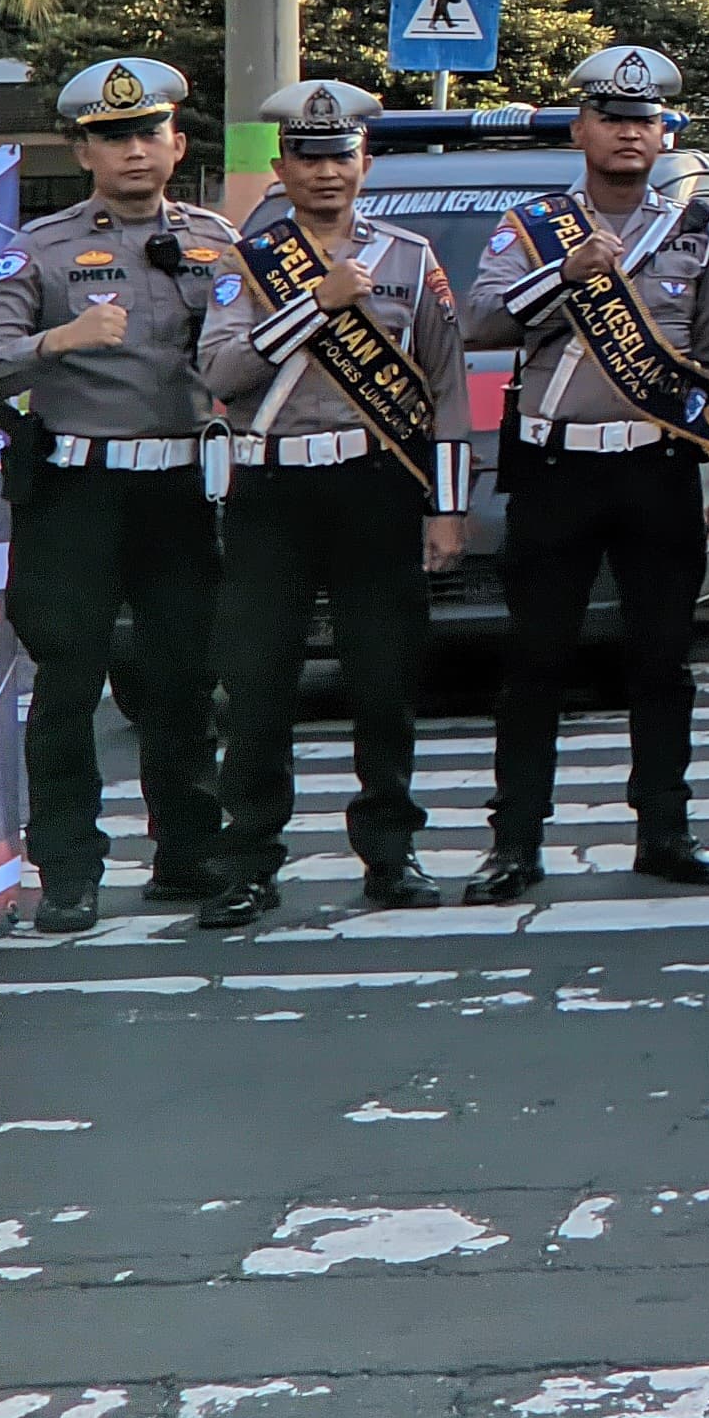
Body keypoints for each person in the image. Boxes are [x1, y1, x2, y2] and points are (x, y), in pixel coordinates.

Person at [462, 44, 709, 905]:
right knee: (535, 663)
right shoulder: (532, 228)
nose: (630, 133)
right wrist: (563, 277)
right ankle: (514, 842)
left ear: (663, 134)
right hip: (557, 470)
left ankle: (663, 831)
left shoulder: (694, 234)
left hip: (658, 468)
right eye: (613, 118)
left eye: (645, 120)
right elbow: (482, 320)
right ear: (580, 128)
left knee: (662, 662)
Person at [0, 58, 245, 935]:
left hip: (184, 493)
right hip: (77, 494)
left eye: (149, 133)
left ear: (177, 143)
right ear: (83, 152)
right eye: (113, 138)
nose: (134, 152)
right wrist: (58, 340)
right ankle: (68, 870)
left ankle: (188, 854)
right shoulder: (35, 250)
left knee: (184, 683)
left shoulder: (217, 243)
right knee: (69, 686)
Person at [191, 80, 466, 928]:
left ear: (365, 164)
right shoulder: (246, 260)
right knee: (260, 681)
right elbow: (222, 373)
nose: (324, 173)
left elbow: (446, 392)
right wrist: (317, 304)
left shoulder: (411, 259)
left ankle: (391, 852)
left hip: (375, 485)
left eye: (339, 157)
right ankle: (249, 862)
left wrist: (445, 508)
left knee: (384, 681)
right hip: (271, 488)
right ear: (283, 166)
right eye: (307, 158)